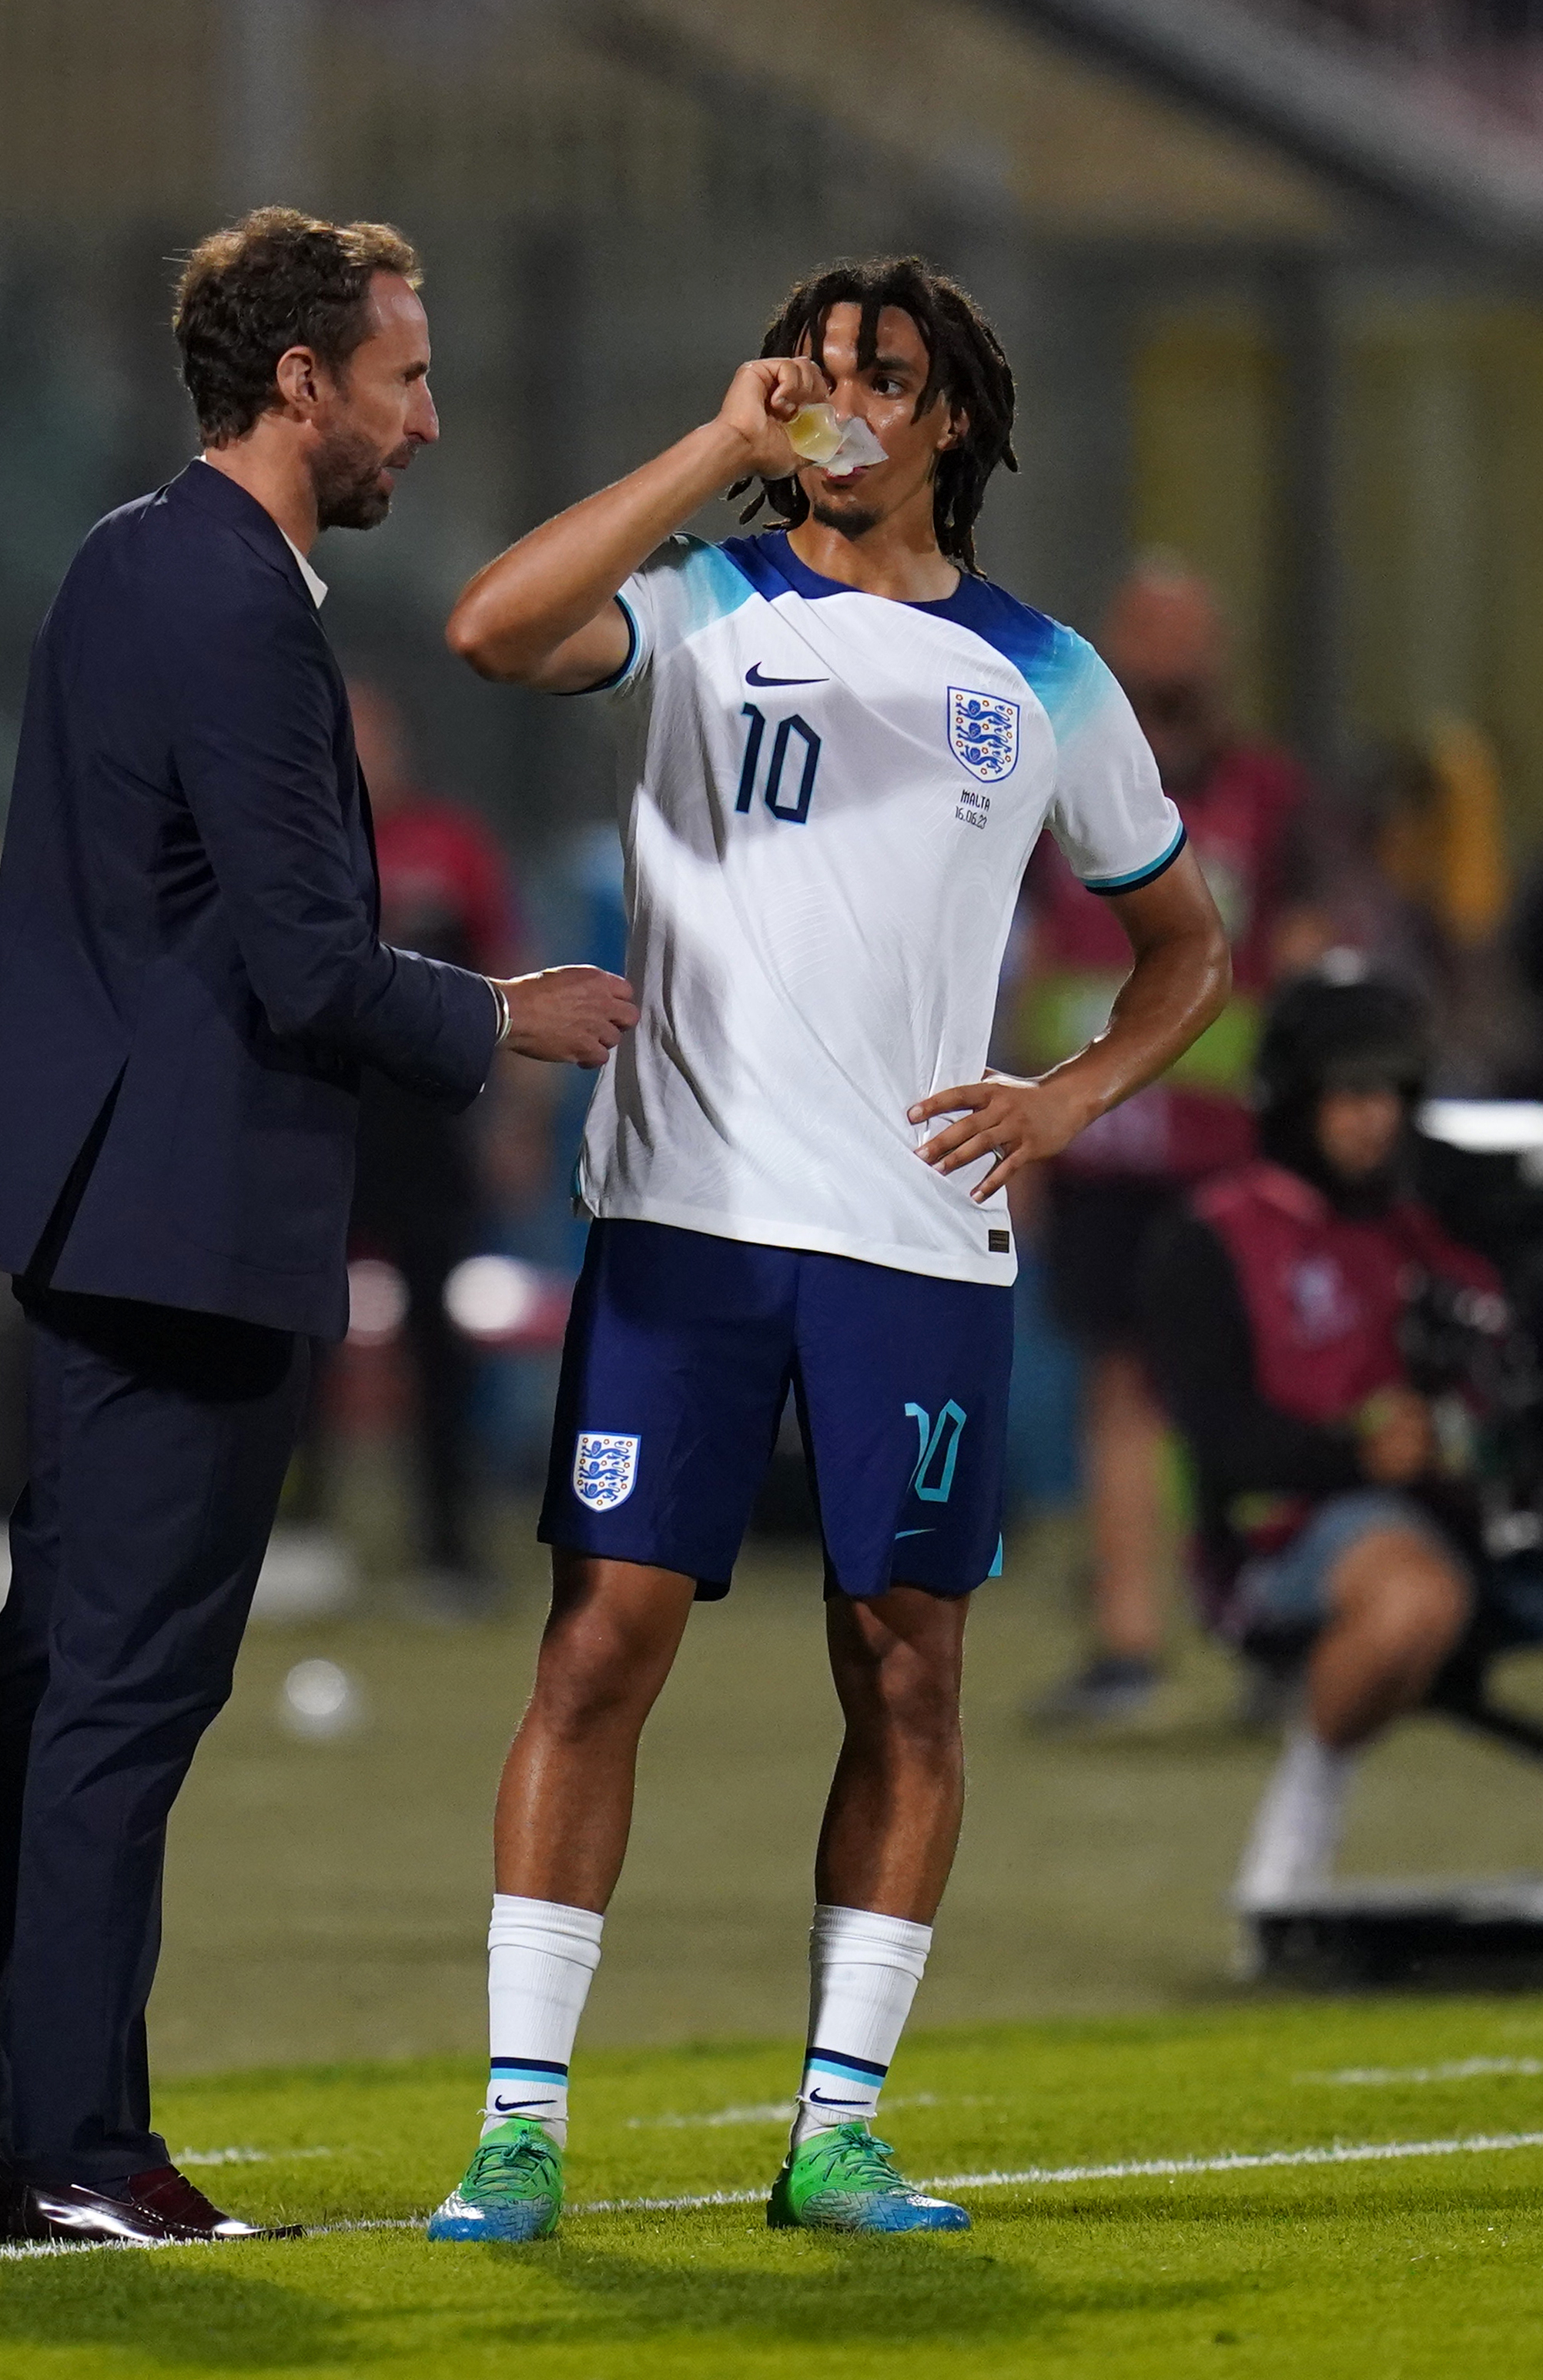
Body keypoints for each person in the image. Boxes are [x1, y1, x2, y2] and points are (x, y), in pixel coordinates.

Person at [425, 251, 1230, 2243]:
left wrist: (1062, 1097)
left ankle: (835, 2125)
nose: (840, 396)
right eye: (815, 368)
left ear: (951, 416)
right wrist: (715, 439)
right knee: (601, 1646)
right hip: (685, 1218)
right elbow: (490, 628)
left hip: (912, 1245)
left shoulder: (1042, 673)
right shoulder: (708, 598)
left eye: (881, 373)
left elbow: (1182, 940)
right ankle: (518, 2123)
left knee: (910, 1674)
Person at [0, 206, 634, 2251]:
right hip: (184, 1215)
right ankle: (76, 2146)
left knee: (54, 1681)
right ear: (298, 381)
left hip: (107, 1195)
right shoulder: (233, 601)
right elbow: (302, 966)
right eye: (399, 374)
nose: (423, 416)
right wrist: (498, 1012)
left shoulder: (134, 558)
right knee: (118, 1693)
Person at [1016, 563, 1320, 1726]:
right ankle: (1129, 1639)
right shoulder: (1057, 784)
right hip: (1097, 1139)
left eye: (1184, 635)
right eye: (1146, 634)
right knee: (1118, 1387)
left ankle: (1266, 1624)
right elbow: (1037, 957)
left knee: (1241, 1394)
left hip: (1229, 1148)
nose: (1166, 658)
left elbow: (1302, 953)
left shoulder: (1268, 798)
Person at [1139, 967, 1481, 1936]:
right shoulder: (1212, 1237)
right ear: (1297, 1096)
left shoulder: (1429, 1228)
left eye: (1392, 1094)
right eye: (1351, 1091)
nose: (1376, 1119)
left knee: (1422, 1579)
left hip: (1446, 1512)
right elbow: (1216, 1437)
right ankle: (1291, 1841)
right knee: (1414, 1598)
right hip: (1274, 1536)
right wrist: (1362, 1457)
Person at [293, 677, 531, 1618]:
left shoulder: (449, 847)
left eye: (376, 737)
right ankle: (294, 1540)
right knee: (294, 1335)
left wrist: (513, 1118)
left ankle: (448, 1546)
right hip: (316, 1119)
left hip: (427, 1126)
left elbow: (510, 977)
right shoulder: (291, 842)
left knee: (441, 1343)